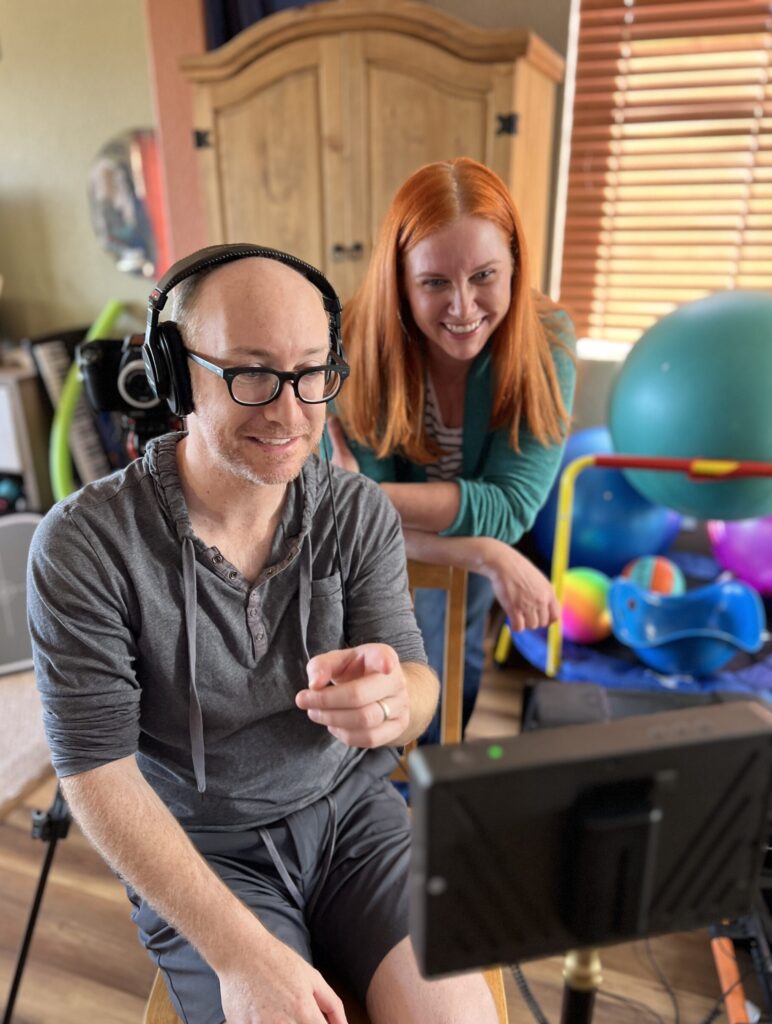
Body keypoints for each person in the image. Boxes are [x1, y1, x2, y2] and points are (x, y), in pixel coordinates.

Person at [27, 245, 499, 1024]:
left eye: (313, 372)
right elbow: (97, 777)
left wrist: (394, 702)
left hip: (355, 817)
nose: (290, 412)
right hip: (198, 849)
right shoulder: (85, 547)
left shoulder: (357, 512)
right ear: (175, 376)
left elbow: (418, 685)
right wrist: (241, 954)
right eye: (252, 373)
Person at [329, 158, 577, 742]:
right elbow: (351, 525)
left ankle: (430, 793)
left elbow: (512, 508)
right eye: (435, 282)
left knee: (450, 666)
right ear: (401, 280)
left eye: (484, 276)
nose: (463, 308)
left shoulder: (548, 344)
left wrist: (370, 496)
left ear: (515, 265)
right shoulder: (355, 340)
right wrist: (488, 553)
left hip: (452, 548)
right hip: (361, 561)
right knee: (370, 679)